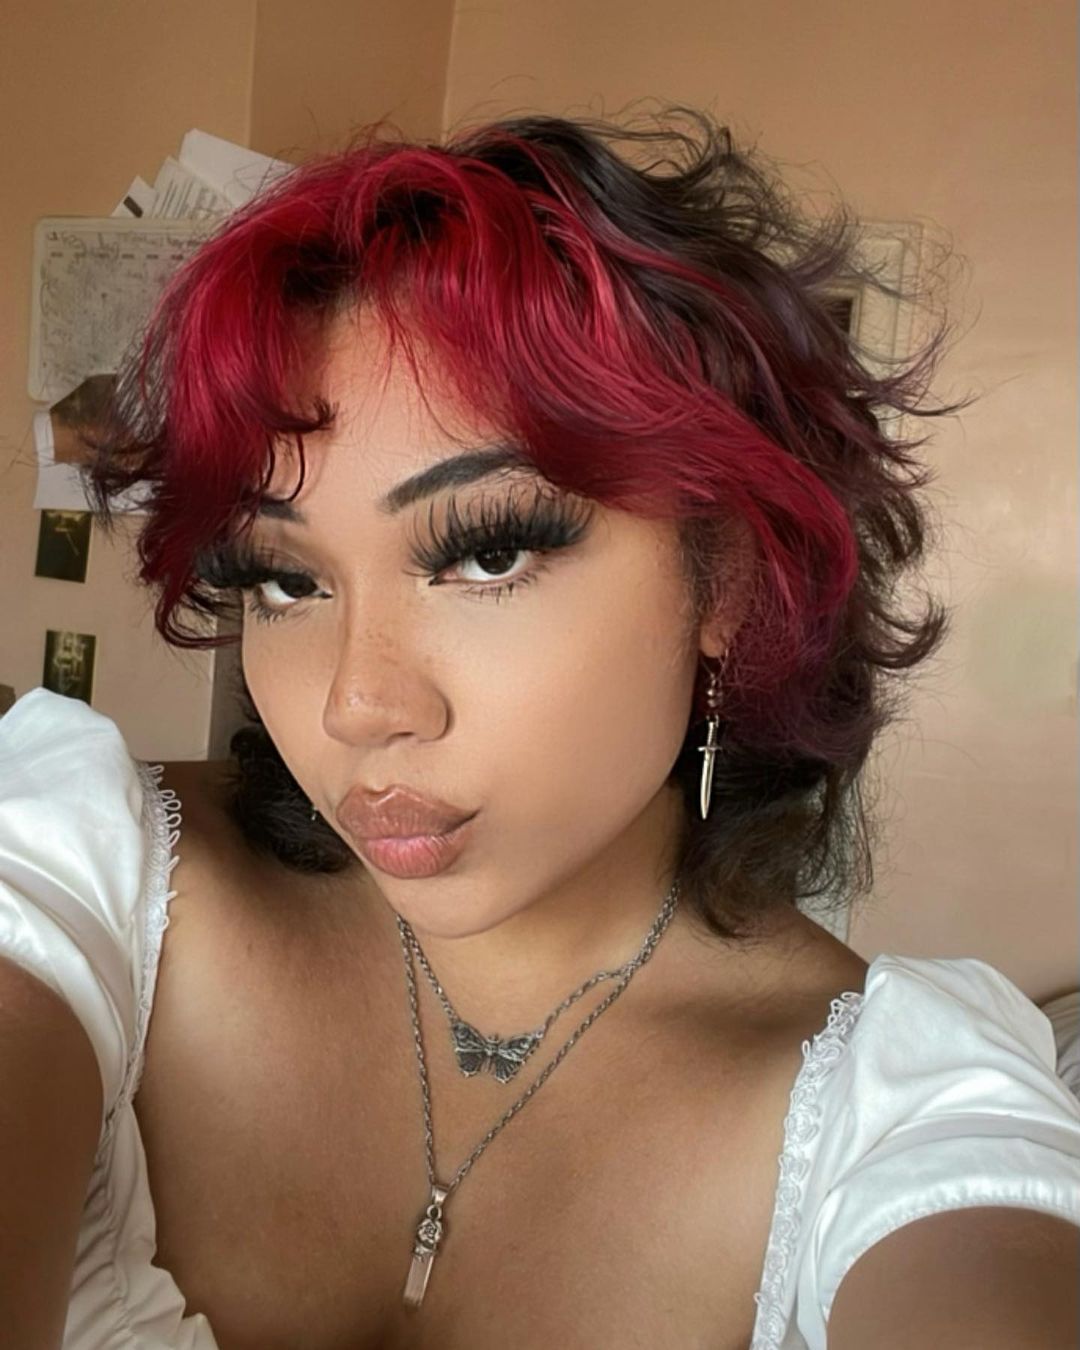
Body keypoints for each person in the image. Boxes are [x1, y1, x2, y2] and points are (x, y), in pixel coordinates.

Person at [2, 107, 1078, 1350]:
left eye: (487, 554)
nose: (357, 704)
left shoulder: (900, 1117)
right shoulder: (83, 874)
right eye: (286, 580)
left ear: (725, 580)